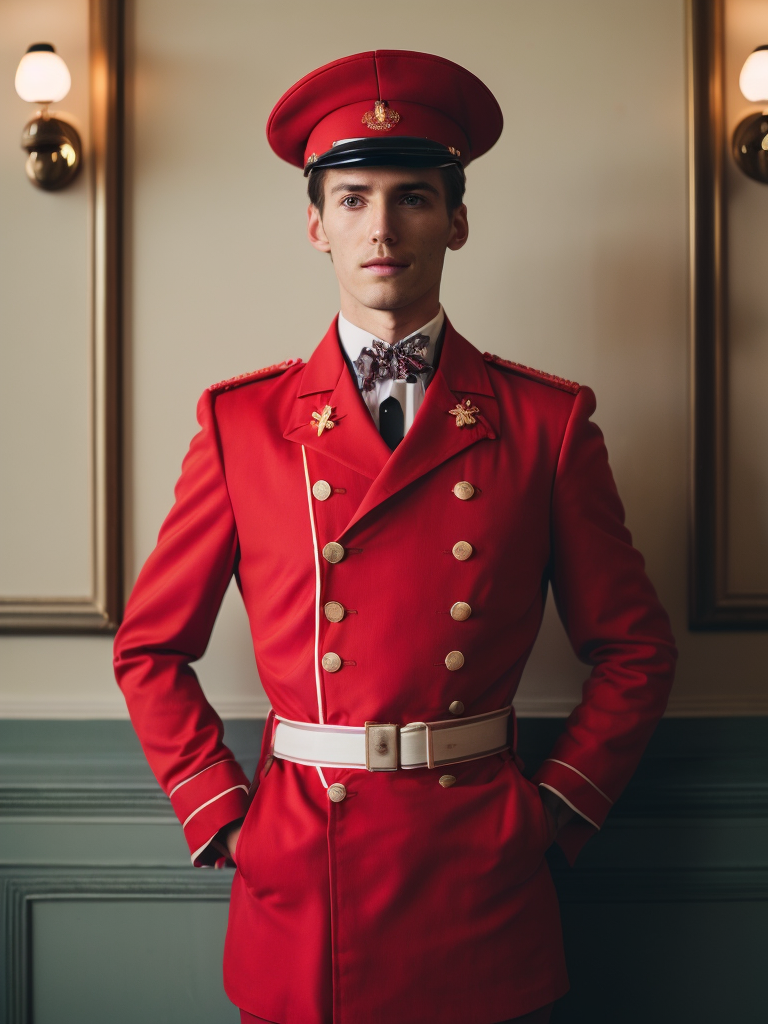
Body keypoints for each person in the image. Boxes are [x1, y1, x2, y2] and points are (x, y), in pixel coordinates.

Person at [113, 49, 677, 1024]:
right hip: (302, 882)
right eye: (352, 198)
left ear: (457, 219)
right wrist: (232, 821)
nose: (381, 226)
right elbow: (149, 646)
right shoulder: (243, 424)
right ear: (315, 224)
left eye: (412, 196)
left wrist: (547, 814)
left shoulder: (546, 423)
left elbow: (636, 647)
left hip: (480, 872)